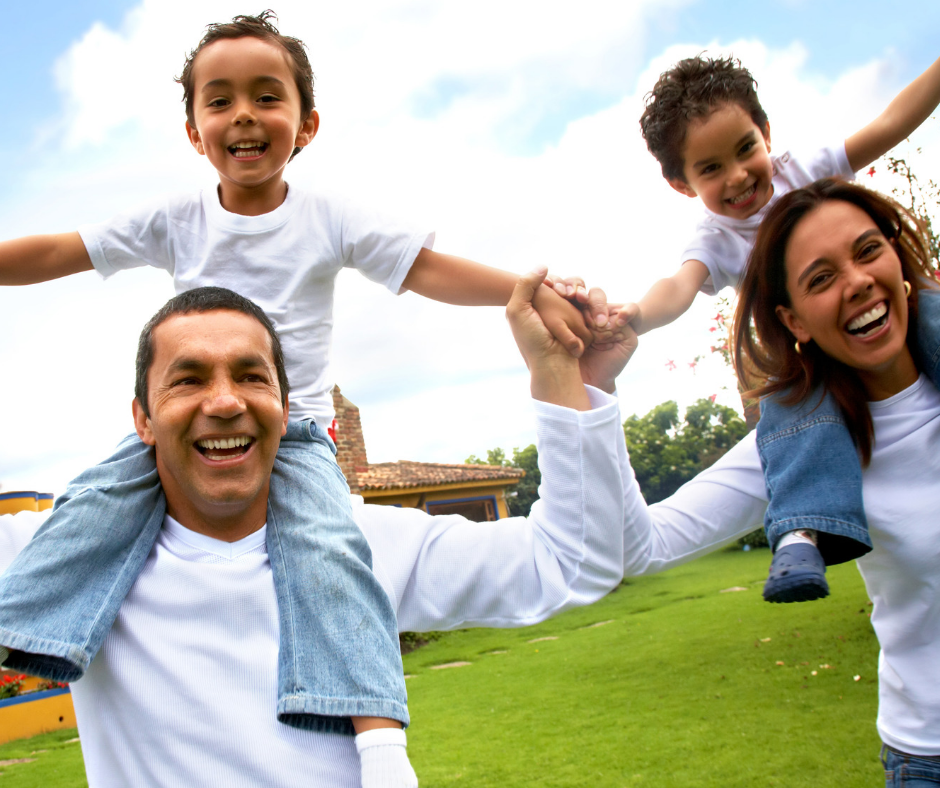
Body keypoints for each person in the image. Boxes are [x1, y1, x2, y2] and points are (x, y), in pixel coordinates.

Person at [0, 10, 612, 766]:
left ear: (307, 123)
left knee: (326, 549)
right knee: (88, 508)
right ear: (194, 132)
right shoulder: (172, 217)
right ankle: (28, 637)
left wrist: (523, 292)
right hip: (185, 428)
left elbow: (428, 269)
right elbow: (63, 249)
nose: (244, 115)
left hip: (293, 436)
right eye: (219, 100)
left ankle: (379, 740)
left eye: (266, 96)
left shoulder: (329, 216)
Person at [0, 279, 635, 787]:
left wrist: (567, 377)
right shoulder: (62, 559)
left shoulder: (364, 545)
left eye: (252, 376)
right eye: (189, 379)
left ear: (286, 409)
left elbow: (573, 562)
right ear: (141, 419)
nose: (225, 402)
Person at [617, 179, 940, 786]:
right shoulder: (797, 445)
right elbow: (640, 548)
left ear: (899, 259)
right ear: (794, 321)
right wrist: (591, 392)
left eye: (868, 250)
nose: (857, 282)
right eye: (820, 279)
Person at [621, 52, 940, 603]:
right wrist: (634, 318)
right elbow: (677, 288)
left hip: (910, 313)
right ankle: (800, 533)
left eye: (746, 148)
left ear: (765, 133)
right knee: (797, 413)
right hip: (810, 363)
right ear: (682, 184)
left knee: (932, 313)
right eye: (711, 168)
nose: (740, 175)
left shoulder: (803, 170)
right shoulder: (714, 240)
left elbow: (890, 124)